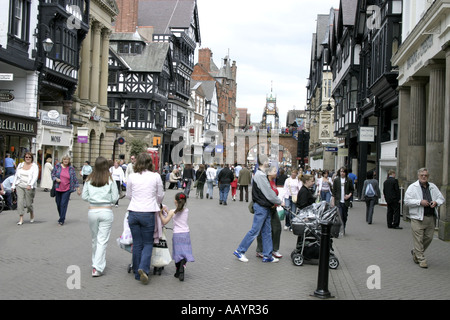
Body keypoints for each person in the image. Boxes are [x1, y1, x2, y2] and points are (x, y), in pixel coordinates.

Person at [234, 155, 282, 263]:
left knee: (266, 231)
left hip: (264, 207)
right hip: (262, 207)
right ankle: (240, 251)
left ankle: (267, 255)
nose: (269, 162)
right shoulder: (260, 175)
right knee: (255, 231)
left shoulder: (260, 174)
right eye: (268, 160)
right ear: (264, 162)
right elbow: (269, 193)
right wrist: (279, 201)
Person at [126, 152, 164, 284]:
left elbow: (128, 195)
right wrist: (156, 202)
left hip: (133, 212)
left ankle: (137, 273)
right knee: (148, 243)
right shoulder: (156, 176)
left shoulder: (132, 176)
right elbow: (160, 195)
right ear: (150, 163)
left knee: (137, 243)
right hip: (148, 212)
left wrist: (137, 200)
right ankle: (144, 268)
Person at [82, 156, 119, 277]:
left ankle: (96, 262)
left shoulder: (89, 179)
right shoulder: (110, 179)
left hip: (92, 210)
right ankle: (97, 267)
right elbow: (115, 197)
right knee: (102, 240)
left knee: (95, 239)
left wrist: (93, 199)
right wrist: (106, 200)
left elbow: (84, 196)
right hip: (106, 210)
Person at [404, 168, 445, 268]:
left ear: (428, 176)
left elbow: (441, 198)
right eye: (422, 175)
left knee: (428, 238)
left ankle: (416, 252)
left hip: (430, 217)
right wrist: (419, 202)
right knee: (418, 239)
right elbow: (407, 201)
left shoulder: (433, 187)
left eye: (425, 175)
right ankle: (421, 259)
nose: (424, 177)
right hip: (417, 217)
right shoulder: (412, 187)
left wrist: (436, 202)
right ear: (418, 176)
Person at [159, 192, 194, 281]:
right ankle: (182, 266)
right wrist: (169, 212)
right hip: (186, 233)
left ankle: (178, 271)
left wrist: (160, 213)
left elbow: (164, 221)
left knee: (177, 253)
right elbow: (179, 211)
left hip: (177, 234)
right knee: (185, 252)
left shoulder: (172, 212)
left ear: (175, 201)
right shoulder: (186, 210)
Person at [256, 166, 282, 259]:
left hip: (273, 209)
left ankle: (274, 249)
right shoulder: (265, 182)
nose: (277, 173)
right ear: (269, 173)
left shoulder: (273, 182)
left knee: (277, 228)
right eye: (275, 171)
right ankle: (260, 250)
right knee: (263, 229)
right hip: (266, 208)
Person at [51, 155, 81, 226]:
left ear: (69, 161)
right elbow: (52, 174)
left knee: (63, 204)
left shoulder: (71, 169)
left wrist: (78, 188)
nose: (66, 161)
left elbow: (74, 179)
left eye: (67, 160)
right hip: (58, 188)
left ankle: (61, 219)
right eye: (64, 159)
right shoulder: (57, 167)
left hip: (67, 189)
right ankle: (61, 215)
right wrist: (56, 179)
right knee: (58, 204)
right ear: (62, 160)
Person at [11, 152, 39, 225]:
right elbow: (16, 175)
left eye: (29, 157)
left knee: (28, 204)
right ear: (24, 158)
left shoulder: (34, 166)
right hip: (20, 185)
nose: (28, 158)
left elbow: (35, 176)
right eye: (26, 157)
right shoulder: (20, 165)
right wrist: (13, 185)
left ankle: (31, 212)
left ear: (32, 158)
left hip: (29, 186)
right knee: (20, 201)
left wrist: (30, 184)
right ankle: (21, 218)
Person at [332, 167, 354, 232]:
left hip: (345, 201)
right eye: (341, 172)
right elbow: (334, 192)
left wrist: (349, 195)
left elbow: (352, 190)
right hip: (338, 201)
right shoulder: (336, 180)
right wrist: (333, 201)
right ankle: (340, 229)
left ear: (346, 173)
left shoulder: (349, 180)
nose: (342, 173)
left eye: (343, 172)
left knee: (344, 216)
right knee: (340, 215)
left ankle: (343, 227)